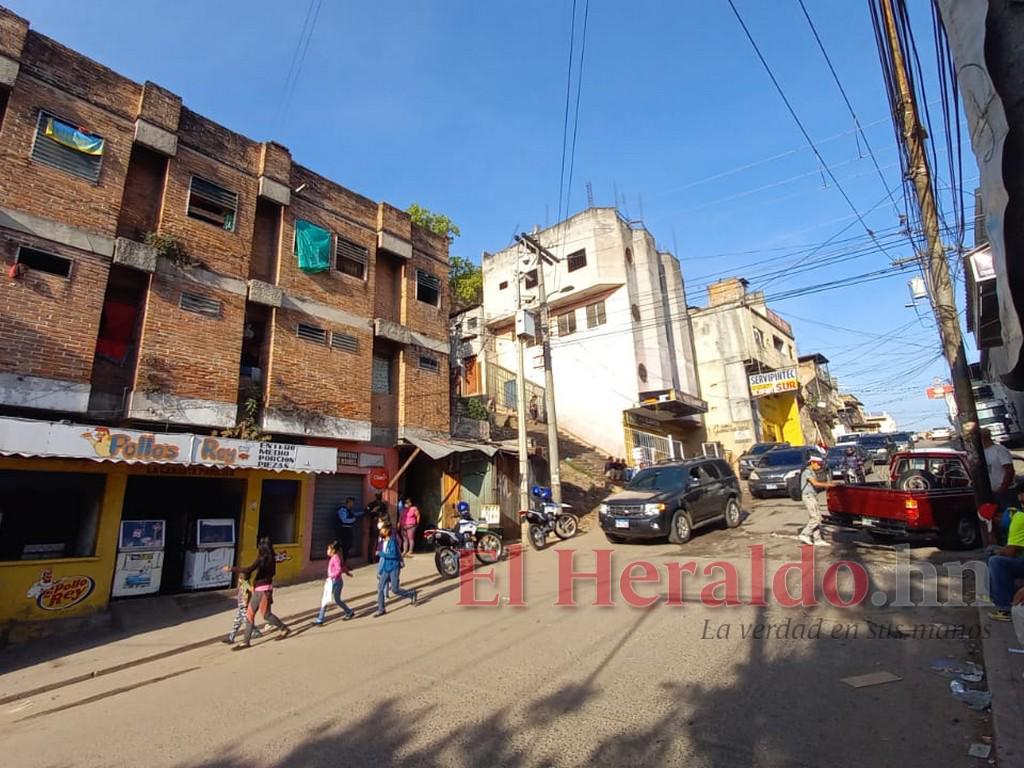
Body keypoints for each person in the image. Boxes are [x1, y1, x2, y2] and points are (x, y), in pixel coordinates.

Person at [224, 537, 290, 650]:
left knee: (258, 614)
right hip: (267, 589)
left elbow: (248, 569)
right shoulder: (272, 558)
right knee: (264, 614)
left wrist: (231, 569)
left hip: (261, 590)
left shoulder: (261, 558)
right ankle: (283, 629)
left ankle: (247, 641)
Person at [987, 480, 1024, 622]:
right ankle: (996, 595)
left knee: (996, 560)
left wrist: (999, 552)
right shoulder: (1018, 516)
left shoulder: (1019, 519)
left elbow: (1011, 552)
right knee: (992, 553)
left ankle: (1004, 607)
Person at [374, 522, 417, 616]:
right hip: (386, 568)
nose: (380, 531)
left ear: (387, 532)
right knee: (380, 587)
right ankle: (381, 609)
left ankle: (411, 594)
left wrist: (380, 554)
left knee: (395, 589)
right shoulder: (382, 541)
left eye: (382, 530)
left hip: (394, 567)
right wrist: (381, 570)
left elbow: (393, 555)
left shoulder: (392, 542)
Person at [314, 540, 354, 625]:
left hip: (334, 582)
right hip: (336, 581)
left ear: (333, 550)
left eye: (328, 549)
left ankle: (320, 619)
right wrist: (347, 573)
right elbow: (342, 566)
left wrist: (332, 576)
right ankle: (349, 612)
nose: (327, 551)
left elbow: (339, 569)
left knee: (325, 599)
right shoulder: (336, 557)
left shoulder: (335, 558)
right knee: (337, 600)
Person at [799, 456, 835, 547]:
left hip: (812, 496)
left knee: (817, 517)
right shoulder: (807, 472)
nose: (820, 466)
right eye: (818, 464)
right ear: (812, 463)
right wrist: (828, 485)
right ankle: (804, 534)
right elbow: (815, 483)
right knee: (816, 518)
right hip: (808, 496)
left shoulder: (812, 472)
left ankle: (817, 539)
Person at [222, 573, 262, 644]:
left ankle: (256, 632)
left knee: (247, 621)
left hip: (244, 607)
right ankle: (231, 638)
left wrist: (246, 600)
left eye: (240, 578)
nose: (239, 579)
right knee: (236, 622)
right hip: (241, 607)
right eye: (239, 578)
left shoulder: (244, 584)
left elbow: (250, 590)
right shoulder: (242, 585)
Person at [982, 427, 1016, 511]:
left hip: (1006, 491)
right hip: (991, 492)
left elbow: (1009, 470)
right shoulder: (981, 452)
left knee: (1011, 516)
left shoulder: (999, 449)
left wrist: (1002, 489)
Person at [336, 497, 358, 561]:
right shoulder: (342, 510)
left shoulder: (349, 510)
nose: (353, 505)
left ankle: (345, 563)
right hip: (344, 530)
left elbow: (355, 514)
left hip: (348, 530)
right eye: (352, 503)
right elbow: (344, 520)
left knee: (348, 546)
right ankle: (343, 564)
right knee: (344, 547)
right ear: (349, 502)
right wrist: (353, 519)